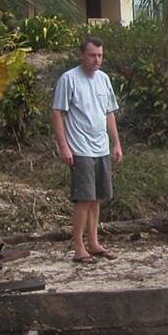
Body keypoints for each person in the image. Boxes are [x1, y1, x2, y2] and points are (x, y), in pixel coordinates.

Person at [51, 36, 123, 264]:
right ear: (82, 55)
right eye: (92, 55)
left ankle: (94, 241)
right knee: (83, 198)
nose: (97, 60)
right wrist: (64, 146)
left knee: (97, 198)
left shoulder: (103, 79)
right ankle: (79, 247)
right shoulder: (69, 79)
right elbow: (57, 112)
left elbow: (109, 112)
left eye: (100, 55)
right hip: (79, 147)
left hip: (100, 146)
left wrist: (116, 143)